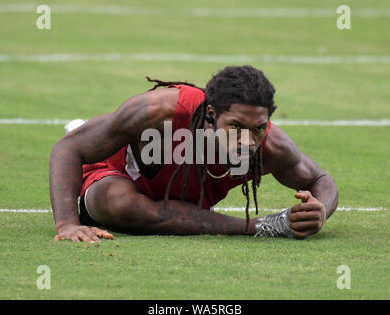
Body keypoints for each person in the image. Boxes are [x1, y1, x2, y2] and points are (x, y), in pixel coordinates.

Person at [50, 65, 339, 242]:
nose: (248, 141)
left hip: (186, 197)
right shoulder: (160, 110)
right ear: (211, 115)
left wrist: (321, 209)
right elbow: (69, 148)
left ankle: (198, 215)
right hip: (117, 175)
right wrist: (67, 224)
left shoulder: (268, 143)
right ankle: (257, 228)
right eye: (236, 126)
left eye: (258, 128)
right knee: (119, 203)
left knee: (176, 210)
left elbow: (321, 179)